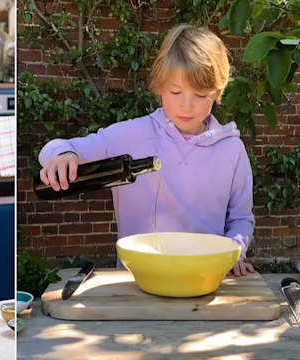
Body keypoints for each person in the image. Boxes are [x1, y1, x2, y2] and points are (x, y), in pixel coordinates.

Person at [38, 24, 256, 277]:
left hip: (206, 279)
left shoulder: (232, 149)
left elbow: (241, 219)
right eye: (175, 91)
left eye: (199, 94)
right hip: (138, 280)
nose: (186, 105)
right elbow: (60, 147)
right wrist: (61, 156)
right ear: (160, 86)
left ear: (217, 92)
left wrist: (234, 253)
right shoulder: (131, 135)